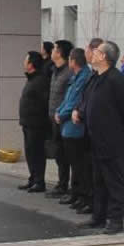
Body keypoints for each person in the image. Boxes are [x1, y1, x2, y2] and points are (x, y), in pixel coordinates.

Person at [73, 40, 124, 234]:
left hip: (112, 141)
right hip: (94, 139)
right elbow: (87, 101)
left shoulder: (116, 80)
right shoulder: (95, 77)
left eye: (96, 51)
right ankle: (98, 217)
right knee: (98, 181)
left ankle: (115, 220)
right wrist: (79, 112)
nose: (92, 53)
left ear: (104, 56)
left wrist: (122, 138)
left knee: (114, 182)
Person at [55, 47, 93, 214]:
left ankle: (82, 196)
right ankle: (76, 194)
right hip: (67, 126)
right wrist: (59, 111)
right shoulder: (76, 77)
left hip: (75, 127)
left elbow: (75, 101)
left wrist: (62, 114)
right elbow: (67, 99)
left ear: (73, 61)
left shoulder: (84, 77)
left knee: (80, 165)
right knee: (74, 164)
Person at [17, 50, 51, 193]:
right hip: (27, 123)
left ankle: (39, 181)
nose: (24, 63)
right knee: (30, 152)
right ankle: (33, 178)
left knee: (37, 153)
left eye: (26, 60)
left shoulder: (41, 80)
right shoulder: (31, 79)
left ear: (31, 64)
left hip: (36, 124)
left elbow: (44, 103)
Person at [46, 40, 74, 198]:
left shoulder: (69, 73)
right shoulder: (55, 70)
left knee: (67, 155)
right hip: (53, 119)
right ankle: (62, 183)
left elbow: (70, 99)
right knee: (59, 154)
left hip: (64, 120)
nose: (52, 51)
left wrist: (62, 114)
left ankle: (67, 186)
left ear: (60, 53)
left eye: (54, 49)